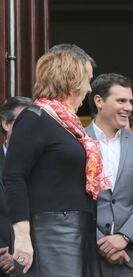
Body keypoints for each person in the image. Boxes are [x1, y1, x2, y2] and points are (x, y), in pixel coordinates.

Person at [4, 50, 108, 276]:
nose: (89, 89)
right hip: (51, 232)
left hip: (78, 228)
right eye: (87, 81)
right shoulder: (35, 117)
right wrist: (21, 236)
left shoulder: (68, 124)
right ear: (70, 81)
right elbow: (13, 176)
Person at [86, 73, 133, 277]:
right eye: (121, 100)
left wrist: (124, 237)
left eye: (130, 101)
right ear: (99, 101)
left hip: (132, 257)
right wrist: (101, 242)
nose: (129, 107)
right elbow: (71, 200)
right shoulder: (77, 140)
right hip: (88, 257)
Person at [0, 97, 32, 277]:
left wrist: (20, 256)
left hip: (37, 264)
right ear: (6, 123)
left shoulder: (46, 167)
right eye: (24, 123)